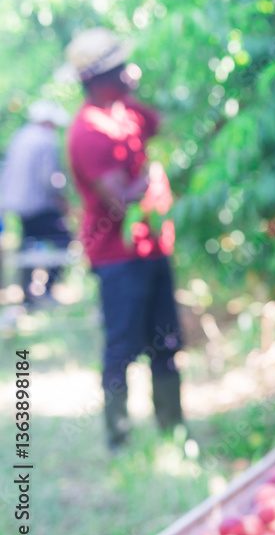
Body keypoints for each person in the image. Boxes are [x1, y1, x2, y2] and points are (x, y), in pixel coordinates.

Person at [63, 27, 187, 451]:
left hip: (153, 248)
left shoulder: (129, 113)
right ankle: (119, 436)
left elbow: (169, 125)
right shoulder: (87, 133)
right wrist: (154, 174)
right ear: (98, 79)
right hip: (117, 257)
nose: (130, 73)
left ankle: (172, 427)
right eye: (120, 68)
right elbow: (119, 197)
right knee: (123, 346)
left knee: (165, 340)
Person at [0, 99, 73, 307]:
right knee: (64, 240)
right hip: (37, 204)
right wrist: (63, 201)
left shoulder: (21, 136)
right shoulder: (46, 139)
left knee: (28, 244)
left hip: (18, 204)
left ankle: (27, 294)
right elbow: (49, 179)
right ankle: (47, 289)